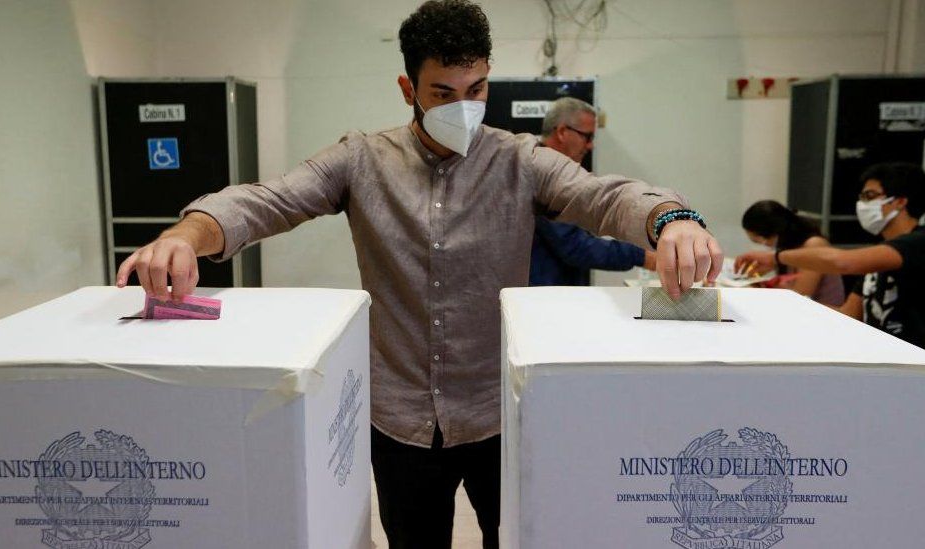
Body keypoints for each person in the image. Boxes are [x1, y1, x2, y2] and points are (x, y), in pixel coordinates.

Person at [116, 1, 723, 547]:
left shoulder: (518, 160)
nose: (464, 106)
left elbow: (604, 196)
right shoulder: (360, 159)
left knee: (517, 540)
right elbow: (265, 200)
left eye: (477, 87)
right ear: (408, 85)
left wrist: (672, 219)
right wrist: (184, 235)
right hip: (400, 418)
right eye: (442, 91)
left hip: (498, 411)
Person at [736, 162, 925, 348]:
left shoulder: (917, 242)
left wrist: (775, 258)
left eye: (870, 196)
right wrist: (782, 304)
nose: (862, 204)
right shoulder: (879, 258)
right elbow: (848, 313)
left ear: (900, 201)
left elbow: (843, 262)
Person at [530, 97, 655, 286]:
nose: (591, 145)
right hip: (546, 299)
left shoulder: (556, 173)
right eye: (587, 136)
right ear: (562, 132)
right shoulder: (542, 174)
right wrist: (643, 256)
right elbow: (576, 247)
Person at [739, 200, 845, 306]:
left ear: (772, 233)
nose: (765, 246)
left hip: (824, 314)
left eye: (759, 241)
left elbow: (801, 294)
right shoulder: (788, 247)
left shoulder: (814, 245)